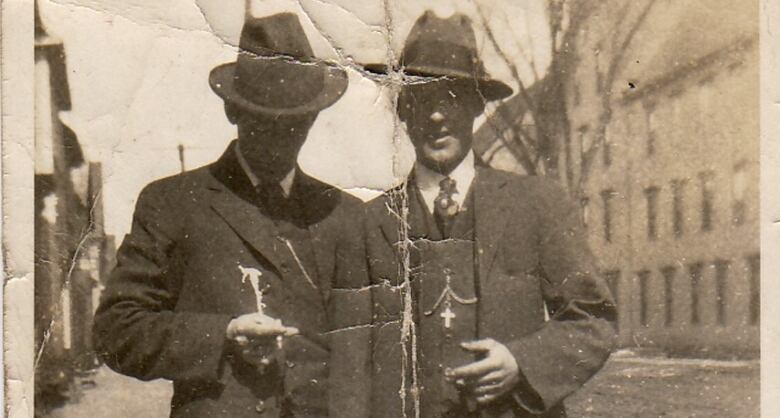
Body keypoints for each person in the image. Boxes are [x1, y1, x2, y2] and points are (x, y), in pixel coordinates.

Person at [346, 11, 617, 418]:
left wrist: (521, 363)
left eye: (451, 97)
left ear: (476, 106)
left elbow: (594, 320)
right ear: (402, 111)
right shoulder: (371, 223)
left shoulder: (536, 203)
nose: (437, 116)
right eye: (422, 97)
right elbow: (350, 363)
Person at [93, 13, 363, 417]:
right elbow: (117, 330)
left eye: (296, 120)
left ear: (313, 117)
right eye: (264, 119)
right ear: (233, 112)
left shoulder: (345, 216)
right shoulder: (174, 203)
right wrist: (220, 336)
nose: (282, 135)